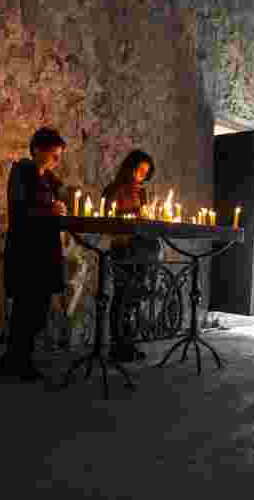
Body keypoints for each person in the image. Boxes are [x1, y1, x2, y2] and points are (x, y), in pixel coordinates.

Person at [1, 127, 68, 381]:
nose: (57, 161)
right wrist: (49, 212)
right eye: (54, 155)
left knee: (38, 308)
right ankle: (17, 361)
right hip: (26, 250)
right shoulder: (22, 173)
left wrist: (59, 207)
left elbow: (51, 206)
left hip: (45, 251)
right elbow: (19, 211)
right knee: (25, 307)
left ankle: (17, 358)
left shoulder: (50, 181)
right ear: (38, 150)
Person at [102, 150, 159, 362]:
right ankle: (118, 345)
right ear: (130, 167)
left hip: (141, 248)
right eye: (140, 170)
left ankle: (129, 343)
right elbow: (107, 216)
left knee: (135, 298)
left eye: (146, 172)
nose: (142, 175)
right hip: (123, 247)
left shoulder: (141, 192)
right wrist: (135, 217)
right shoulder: (115, 189)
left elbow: (143, 215)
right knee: (122, 296)